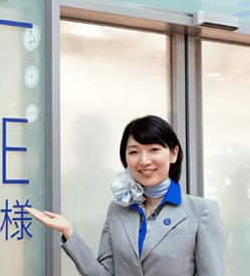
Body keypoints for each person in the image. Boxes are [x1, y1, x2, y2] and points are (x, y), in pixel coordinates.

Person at [28, 115, 225, 276]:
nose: (144, 160)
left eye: (154, 150)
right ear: (125, 158)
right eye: (134, 152)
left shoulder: (201, 211)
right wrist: (69, 232)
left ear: (173, 154)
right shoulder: (118, 209)